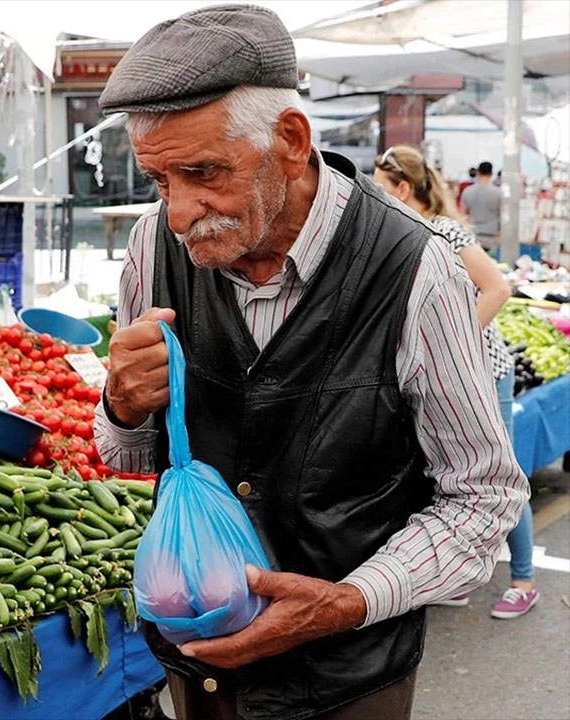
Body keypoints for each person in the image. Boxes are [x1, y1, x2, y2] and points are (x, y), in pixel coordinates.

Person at [92, 6, 528, 720]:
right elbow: (130, 456)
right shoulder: (152, 248)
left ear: (291, 141)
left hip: (347, 681)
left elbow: (483, 496)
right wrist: (123, 404)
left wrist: (346, 601)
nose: (177, 213)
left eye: (203, 172)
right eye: (160, 180)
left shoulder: (414, 270)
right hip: (197, 669)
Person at [374, 146, 538, 619]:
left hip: (487, 374)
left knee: (495, 475)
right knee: (447, 474)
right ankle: (461, 576)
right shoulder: (402, 237)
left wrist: (453, 345)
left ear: (404, 190)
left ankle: (524, 579)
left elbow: (499, 288)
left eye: (383, 190)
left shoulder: (444, 232)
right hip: (441, 381)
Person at [461, 161, 502, 250]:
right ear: (491, 174)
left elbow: (462, 214)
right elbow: (502, 213)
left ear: (478, 173)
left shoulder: (467, 191)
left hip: (472, 233)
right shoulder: (498, 193)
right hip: (491, 234)